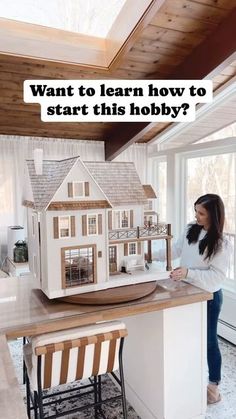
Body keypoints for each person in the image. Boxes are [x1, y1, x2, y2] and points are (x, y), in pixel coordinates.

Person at [154, 194, 231, 404]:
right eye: (195, 210)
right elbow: (175, 249)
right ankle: (188, 379)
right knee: (186, 339)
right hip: (185, 294)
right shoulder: (191, 228)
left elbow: (216, 277)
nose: (196, 216)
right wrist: (150, 255)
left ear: (213, 216)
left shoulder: (222, 244)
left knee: (209, 342)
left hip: (209, 297)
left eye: (201, 213)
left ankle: (213, 386)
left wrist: (188, 273)